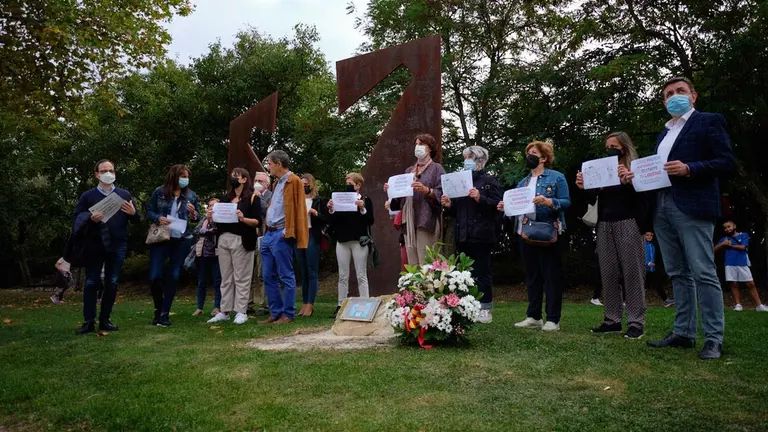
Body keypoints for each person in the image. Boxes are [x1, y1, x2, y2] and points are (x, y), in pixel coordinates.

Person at [622, 77, 736, 360]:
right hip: (661, 205)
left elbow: (726, 161)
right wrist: (633, 176)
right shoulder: (663, 135)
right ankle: (683, 333)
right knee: (677, 272)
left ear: (693, 96)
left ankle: (713, 338)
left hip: (693, 204)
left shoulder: (709, 121)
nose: (674, 97)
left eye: (680, 92)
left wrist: (690, 169)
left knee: (703, 271)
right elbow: (655, 172)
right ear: (663, 102)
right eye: (669, 94)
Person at [577, 132, 649, 339]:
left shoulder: (634, 168)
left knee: (632, 274)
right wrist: (584, 186)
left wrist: (628, 181)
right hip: (604, 224)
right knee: (608, 273)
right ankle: (612, 319)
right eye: (607, 145)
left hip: (629, 223)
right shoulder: (602, 169)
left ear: (624, 147)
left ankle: (636, 322)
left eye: (614, 145)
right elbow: (594, 197)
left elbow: (645, 197)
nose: (609, 148)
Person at [497, 140, 570, 331]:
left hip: (549, 231)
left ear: (544, 158)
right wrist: (506, 207)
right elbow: (518, 207)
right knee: (532, 276)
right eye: (528, 151)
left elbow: (567, 202)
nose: (529, 154)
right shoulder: (523, 182)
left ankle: (553, 319)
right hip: (526, 233)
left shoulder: (557, 177)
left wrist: (549, 201)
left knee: (551, 276)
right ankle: (534, 316)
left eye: (534, 152)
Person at [72, 159, 139, 334]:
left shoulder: (124, 194)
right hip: (94, 243)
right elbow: (77, 218)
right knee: (91, 281)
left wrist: (133, 213)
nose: (108, 173)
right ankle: (88, 321)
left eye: (111, 170)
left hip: (118, 243)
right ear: (97, 174)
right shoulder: (88, 196)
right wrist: (90, 218)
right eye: (104, 170)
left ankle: (105, 319)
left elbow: (136, 219)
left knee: (112, 281)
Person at [440, 146, 502, 323]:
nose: (466, 161)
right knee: (465, 273)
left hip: (482, 234)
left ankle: (485, 308)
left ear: (480, 161)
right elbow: (457, 211)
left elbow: (498, 205)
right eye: (465, 157)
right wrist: (449, 205)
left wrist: (480, 198)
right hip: (463, 234)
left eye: (469, 157)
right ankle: (468, 307)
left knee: (482, 272)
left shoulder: (490, 180)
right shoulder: (459, 181)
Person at [146, 164, 199, 327]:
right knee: (155, 276)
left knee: (174, 275)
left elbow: (197, 218)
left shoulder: (191, 195)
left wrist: (193, 213)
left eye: (187, 176)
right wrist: (158, 218)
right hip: (162, 237)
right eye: (182, 175)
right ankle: (158, 307)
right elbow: (149, 211)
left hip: (182, 238)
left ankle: (164, 314)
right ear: (174, 176)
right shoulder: (159, 192)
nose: (185, 179)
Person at [259, 150, 309, 324]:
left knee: (285, 274)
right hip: (269, 233)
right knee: (267, 275)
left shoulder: (293, 181)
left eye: (270, 164)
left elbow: (298, 208)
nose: (269, 167)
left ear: (279, 164)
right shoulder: (277, 183)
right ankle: (275, 312)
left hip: (281, 233)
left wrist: (288, 231)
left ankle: (288, 314)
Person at [208, 168, 262, 325]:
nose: (233, 178)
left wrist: (243, 218)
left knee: (242, 277)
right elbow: (217, 221)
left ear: (244, 179)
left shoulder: (252, 198)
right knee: (226, 277)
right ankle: (224, 310)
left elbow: (257, 221)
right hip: (224, 239)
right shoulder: (225, 198)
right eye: (232, 176)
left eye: (236, 176)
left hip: (242, 240)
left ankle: (241, 311)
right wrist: (212, 216)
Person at [384, 134, 445, 265]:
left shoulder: (437, 168)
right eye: (416, 144)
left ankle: (429, 286)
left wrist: (427, 190)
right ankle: (415, 286)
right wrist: (390, 191)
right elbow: (400, 200)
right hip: (409, 221)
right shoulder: (409, 171)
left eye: (421, 144)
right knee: (412, 263)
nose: (418, 147)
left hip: (426, 220)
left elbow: (443, 193)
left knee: (427, 262)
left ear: (430, 148)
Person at [327, 172, 375, 318]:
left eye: (350, 183)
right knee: (343, 275)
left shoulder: (366, 200)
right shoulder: (340, 199)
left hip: (358, 241)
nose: (347, 185)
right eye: (346, 182)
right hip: (342, 241)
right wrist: (331, 209)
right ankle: (340, 304)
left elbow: (370, 220)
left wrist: (362, 208)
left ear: (358, 185)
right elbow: (333, 220)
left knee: (361, 274)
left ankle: (365, 303)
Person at [715, 220, 768, 312]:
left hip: (742, 263)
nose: (727, 229)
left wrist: (730, 246)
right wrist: (722, 244)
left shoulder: (744, 235)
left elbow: (743, 247)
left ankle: (759, 306)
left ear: (734, 226)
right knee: (734, 284)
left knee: (750, 284)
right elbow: (714, 249)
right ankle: (738, 305)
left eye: (729, 226)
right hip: (729, 264)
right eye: (725, 228)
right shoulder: (725, 239)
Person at [296, 173, 327, 317]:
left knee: (312, 271)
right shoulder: (296, 201)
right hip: (299, 236)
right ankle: (304, 303)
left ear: (312, 184)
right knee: (303, 272)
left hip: (312, 235)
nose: (304, 186)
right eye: (302, 184)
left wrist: (315, 213)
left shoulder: (319, 201)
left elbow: (326, 219)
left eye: (306, 183)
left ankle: (310, 304)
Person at [193, 198, 222, 316]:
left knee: (217, 281)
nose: (212, 208)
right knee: (201, 282)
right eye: (210, 206)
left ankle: (217, 306)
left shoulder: (221, 221)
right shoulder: (203, 220)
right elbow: (195, 231)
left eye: (215, 206)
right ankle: (199, 307)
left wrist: (211, 223)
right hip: (202, 255)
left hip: (216, 255)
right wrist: (206, 229)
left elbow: (217, 230)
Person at [249, 171, 273, 316]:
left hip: (264, 238)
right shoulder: (249, 195)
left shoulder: (272, 196)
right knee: (248, 274)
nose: (257, 183)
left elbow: (268, 212)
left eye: (261, 181)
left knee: (263, 273)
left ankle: (265, 305)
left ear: (267, 184)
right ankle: (247, 304)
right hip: (249, 237)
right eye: (256, 180)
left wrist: (259, 198)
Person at [644, 232, 675, 307]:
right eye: (647, 235)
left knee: (657, 284)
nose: (649, 237)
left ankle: (666, 301)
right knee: (641, 285)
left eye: (651, 235)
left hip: (653, 269)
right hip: (644, 269)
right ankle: (627, 300)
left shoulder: (654, 244)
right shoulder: (642, 245)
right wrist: (647, 263)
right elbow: (640, 256)